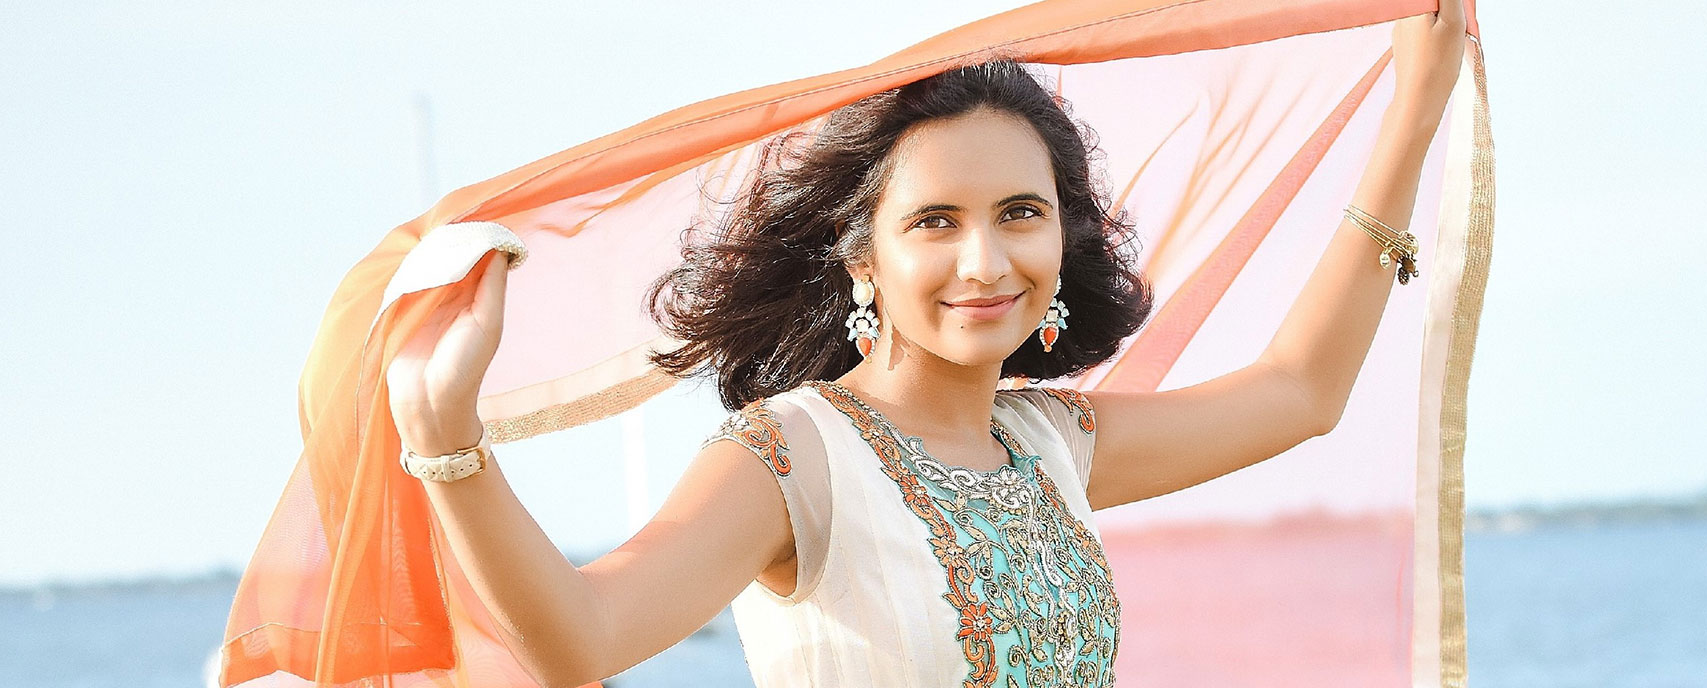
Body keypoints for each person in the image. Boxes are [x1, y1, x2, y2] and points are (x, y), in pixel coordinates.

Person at [383, 2, 1465, 685]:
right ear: (866, 262)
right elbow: (582, 639)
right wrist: (446, 445)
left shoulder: (1050, 444)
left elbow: (1301, 391)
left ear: (1063, 234)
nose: (986, 263)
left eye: (1020, 214)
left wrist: (1411, 118)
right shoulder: (790, 458)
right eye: (935, 223)